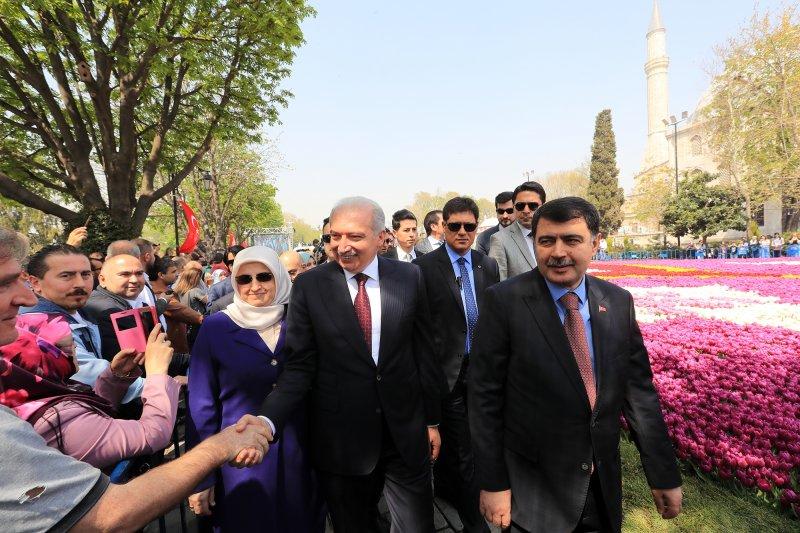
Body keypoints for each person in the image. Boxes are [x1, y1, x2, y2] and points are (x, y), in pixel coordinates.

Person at [0, 227, 270, 533]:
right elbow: (112, 509)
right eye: (5, 284)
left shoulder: (80, 316)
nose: (24, 300)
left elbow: (82, 402)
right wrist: (218, 444)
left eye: (84, 274)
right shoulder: (76, 320)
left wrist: (115, 379)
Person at [469, 197, 682, 532]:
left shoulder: (617, 301)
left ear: (595, 243)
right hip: (535, 495)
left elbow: (639, 394)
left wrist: (663, 473)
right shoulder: (503, 302)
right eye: (546, 241)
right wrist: (493, 483)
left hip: (601, 487)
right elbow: (484, 400)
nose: (558, 252)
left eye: (572, 240)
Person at [253, 197, 443, 532]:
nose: (342, 246)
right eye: (334, 236)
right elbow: (299, 366)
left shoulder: (409, 277)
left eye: (354, 237)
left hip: (404, 433)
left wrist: (432, 420)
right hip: (342, 442)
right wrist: (267, 420)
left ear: (381, 236)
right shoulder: (311, 286)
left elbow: (424, 353)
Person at [187, 246, 325, 531]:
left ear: (279, 278)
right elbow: (201, 408)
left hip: (300, 458)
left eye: (264, 276)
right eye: (244, 279)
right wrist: (201, 476)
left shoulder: (300, 321)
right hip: (240, 463)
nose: (255, 286)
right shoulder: (215, 328)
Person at [413, 197, 499, 533]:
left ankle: (469, 500)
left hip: (484, 370)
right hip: (446, 374)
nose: (462, 232)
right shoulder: (423, 268)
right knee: (462, 448)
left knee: (478, 443)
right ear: (442, 226)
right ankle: (472, 521)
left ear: (477, 227)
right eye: (455, 226)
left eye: (469, 226)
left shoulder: (486, 264)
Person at [1, 315, 180, 469]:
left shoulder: (34, 394)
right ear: (46, 356)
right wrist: (157, 372)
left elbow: (87, 416)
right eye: (68, 345)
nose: (75, 349)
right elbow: (153, 434)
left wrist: (115, 377)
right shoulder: (56, 421)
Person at [22, 244, 144, 404]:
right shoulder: (40, 327)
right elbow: (96, 379)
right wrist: (162, 385)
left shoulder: (87, 312)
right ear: (35, 283)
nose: (80, 283)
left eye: (86, 274)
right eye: (66, 276)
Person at [489, 181, 547, 280]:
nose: (526, 211)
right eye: (520, 206)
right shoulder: (499, 240)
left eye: (533, 206)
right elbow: (498, 286)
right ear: (514, 207)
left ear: (544, 206)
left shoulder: (555, 234)